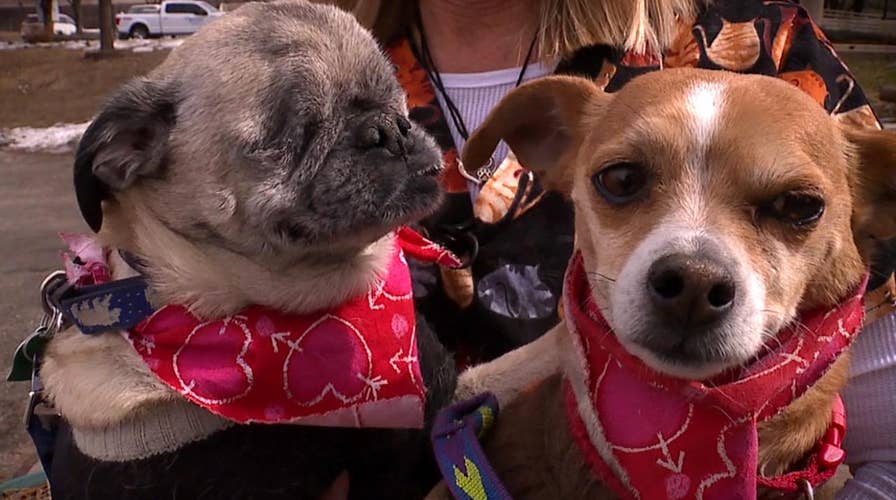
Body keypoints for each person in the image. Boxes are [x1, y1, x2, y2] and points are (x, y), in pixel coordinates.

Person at [326, 0, 895, 496]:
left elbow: (889, 460)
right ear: (548, 145)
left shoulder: (759, 37)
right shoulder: (317, 81)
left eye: (794, 207)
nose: (696, 274)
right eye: (625, 183)